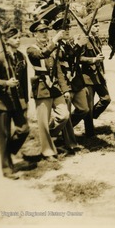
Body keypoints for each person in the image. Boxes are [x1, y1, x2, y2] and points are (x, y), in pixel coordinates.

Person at [0, 27, 36, 180]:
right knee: (4, 135)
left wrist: (26, 102)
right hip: (2, 102)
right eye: (15, 37)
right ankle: (6, 168)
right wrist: (6, 83)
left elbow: (24, 81)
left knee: (24, 129)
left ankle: (7, 154)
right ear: (7, 40)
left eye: (19, 37)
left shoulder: (21, 57)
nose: (18, 39)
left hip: (18, 101)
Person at [26, 19, 77, 161]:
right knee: (43, 121)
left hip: (54, 88)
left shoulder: (52, 47)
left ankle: (52, 133)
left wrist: (65, 88)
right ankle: (47, 152)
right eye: (41, 32)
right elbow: (42, 54)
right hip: (41, 88)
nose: (44, 34)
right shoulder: (31, 49)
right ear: (35, 34)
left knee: (64, 115)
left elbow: (58, 71)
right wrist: (54, 40)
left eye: (46, 31)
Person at [52, 17, 94, 138]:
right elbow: (66, 57)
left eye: (68, 28)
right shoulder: (56, 45)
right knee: (66, 112)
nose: (67, 30)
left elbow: (76, 62)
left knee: (84, 109)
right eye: (64, 28)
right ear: (57, 31)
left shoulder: (69, 44)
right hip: (65, 83)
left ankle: (65, 130)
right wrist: (79, 45)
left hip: (76, 83)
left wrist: (78, 45)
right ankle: (65, 138)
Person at [80, 19, 111, 127]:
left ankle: (91, 115)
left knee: (106, 99)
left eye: (98, 26)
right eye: (95, 26)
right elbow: (79, 58)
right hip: (88, 76)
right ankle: (90, 133)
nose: (98, 29)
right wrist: (93, 59)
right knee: (89, 103)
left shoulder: (97, 39)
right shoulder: (84, 40)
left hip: (99, 75)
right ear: (89, 27)